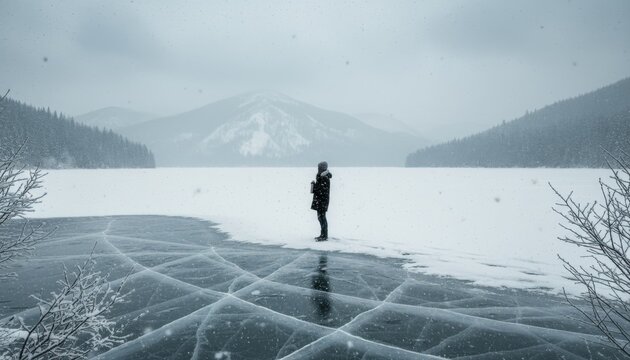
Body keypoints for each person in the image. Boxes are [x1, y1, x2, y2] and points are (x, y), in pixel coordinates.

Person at [311, 161, 332, 241]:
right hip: (320, 200)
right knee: (320, 218)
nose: (318, 169)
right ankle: (323, 234)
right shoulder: (321, 177)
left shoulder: (325, 178)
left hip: (322, 200)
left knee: (322, 218)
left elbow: (322, 190)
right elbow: (320, 189)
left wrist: (314, 186)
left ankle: (324, 235)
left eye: (319, 167)